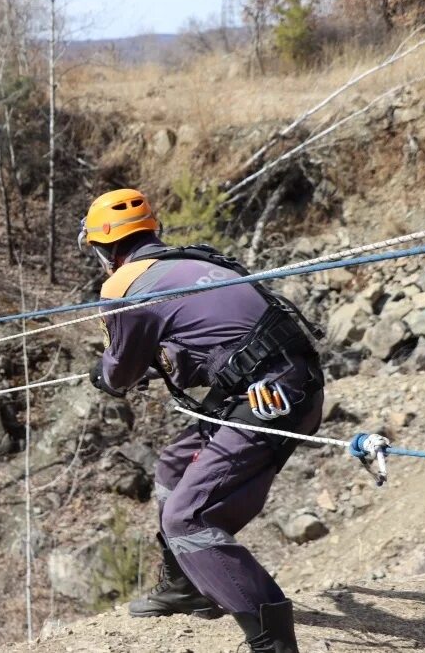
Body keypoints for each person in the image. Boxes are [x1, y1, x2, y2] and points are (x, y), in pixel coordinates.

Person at [80, 188, 324, 653]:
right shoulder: (199, 263)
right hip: (285, 385)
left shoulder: (123, 286)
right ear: (152, 231)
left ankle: (272, 641)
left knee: (186, 517)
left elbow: (120, 373)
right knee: (174, 464)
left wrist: (105, 374)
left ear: (104, 248)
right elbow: (214, 344)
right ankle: (186, 585)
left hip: (270, 395)